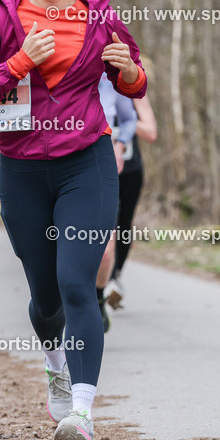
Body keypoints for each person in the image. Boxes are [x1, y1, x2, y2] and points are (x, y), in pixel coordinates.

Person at [0, 0, 147, 440]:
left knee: (76, 283)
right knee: (45, 298)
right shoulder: (3, 18)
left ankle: (82, 413)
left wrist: (130, 71)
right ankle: (55, 362)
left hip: (86, 162)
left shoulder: (99, 17)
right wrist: (18, 62)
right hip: (22, 169)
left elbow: (134, 80)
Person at [95, 73, 138, 331]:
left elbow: (130, 119)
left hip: (102, 167)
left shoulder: (109, 79)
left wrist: (120, 144)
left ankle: (99, 297)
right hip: (62, 167)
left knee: (105, 248)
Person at [105, 92, 156, 309]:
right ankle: (102, 281)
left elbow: (151, 133)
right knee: (106, 225)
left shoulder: (133, 91)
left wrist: (128, 121)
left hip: (130, 170)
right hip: (101, 167)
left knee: (124, 224)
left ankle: (115, 277)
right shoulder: (95, 85)